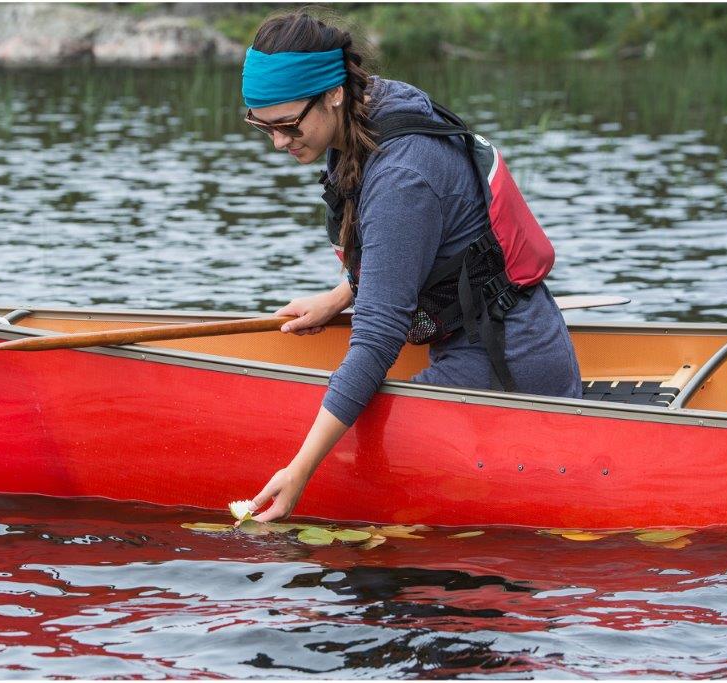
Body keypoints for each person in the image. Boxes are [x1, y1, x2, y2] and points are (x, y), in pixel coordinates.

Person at [240, 11, 582, 523]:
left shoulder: (402, 173)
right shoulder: (360, 112)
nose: (278, 143)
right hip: (479, 344)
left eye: (287, 125)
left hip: (512, 371)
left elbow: (378, 338)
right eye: (262, 125)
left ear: (333, 92)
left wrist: (301, 471)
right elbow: (399, 252)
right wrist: (339, 296)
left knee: (366, 428)